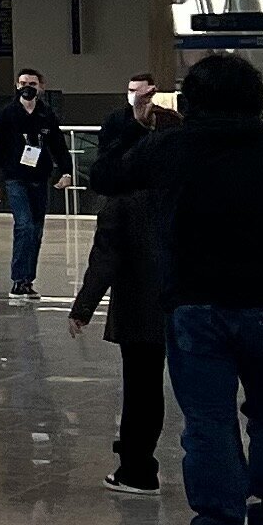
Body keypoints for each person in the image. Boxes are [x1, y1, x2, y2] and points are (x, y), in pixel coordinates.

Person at [91, 54, 263, 525]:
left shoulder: (170, 148)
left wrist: (134, 125)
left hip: (196, 306)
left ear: (191, 100)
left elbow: (106, 176)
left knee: (209, 421)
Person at [69, 136, 167, 492]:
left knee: (142, 389)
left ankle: (137, 469)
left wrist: (83, 307)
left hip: (141, 310)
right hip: (191, 304)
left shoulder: (122, 205)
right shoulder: (184, 194)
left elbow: (105, 261)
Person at [0, 67, 65, 298]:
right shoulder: (6, 115)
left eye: (32, 84)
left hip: (39, 178)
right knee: (24, 225)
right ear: (17, 86)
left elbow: (58, 144)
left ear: (40, 87)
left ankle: (27, 280)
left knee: (36, 230)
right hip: (15, 178)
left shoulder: (46, 114)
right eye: (23, 83)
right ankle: (18, 279)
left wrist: (66, 170)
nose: (27, 88)